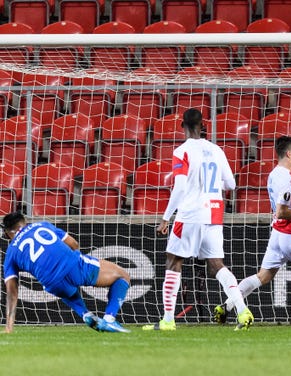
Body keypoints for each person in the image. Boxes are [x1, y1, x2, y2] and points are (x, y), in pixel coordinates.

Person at [142, 108, 253, 331]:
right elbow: (231, 184)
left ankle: (168, 320)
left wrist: (166, 218)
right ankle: (242, 311)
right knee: (217, 265)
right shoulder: (216, 149)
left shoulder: (182, 151)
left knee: (174, 261)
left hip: (190, 214)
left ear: (182, 126)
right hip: (214, 213)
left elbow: (180, 187)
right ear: (204, 126)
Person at [213, 136, 291, 321]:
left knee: (262, 277)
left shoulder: (274, 174)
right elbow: (281, 212)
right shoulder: (288, 180)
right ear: (289, 153)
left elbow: (284, 204)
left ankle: (227, 306)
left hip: (278, 236)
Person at [2, 212, 131, 333]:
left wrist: (9, 327)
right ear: (25, 222)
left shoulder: (10, 254)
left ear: (8, 235)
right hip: (73, 266)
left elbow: (11, 292)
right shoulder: (42, 225)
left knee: (65, 288)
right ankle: (109, 319)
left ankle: (85, 314)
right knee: (123, 276)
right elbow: (74, 244)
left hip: (52, 284)